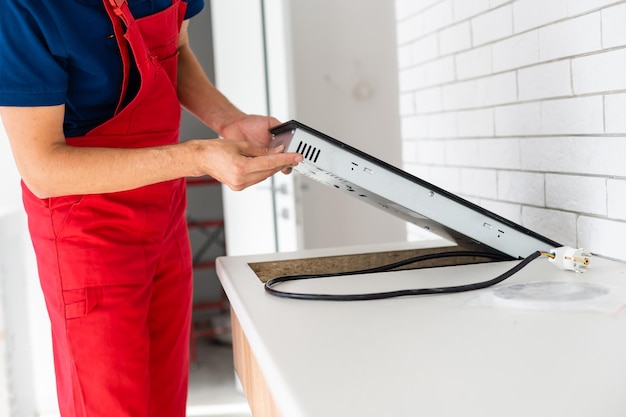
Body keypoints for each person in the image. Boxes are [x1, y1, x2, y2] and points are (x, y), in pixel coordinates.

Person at [0, 0, 302, 416]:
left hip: (163, 212)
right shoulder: (23, 9)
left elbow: (173, 50)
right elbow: (43, 167)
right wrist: (196, 157)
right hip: (85, 232)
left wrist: (228, 121)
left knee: (166, 400)